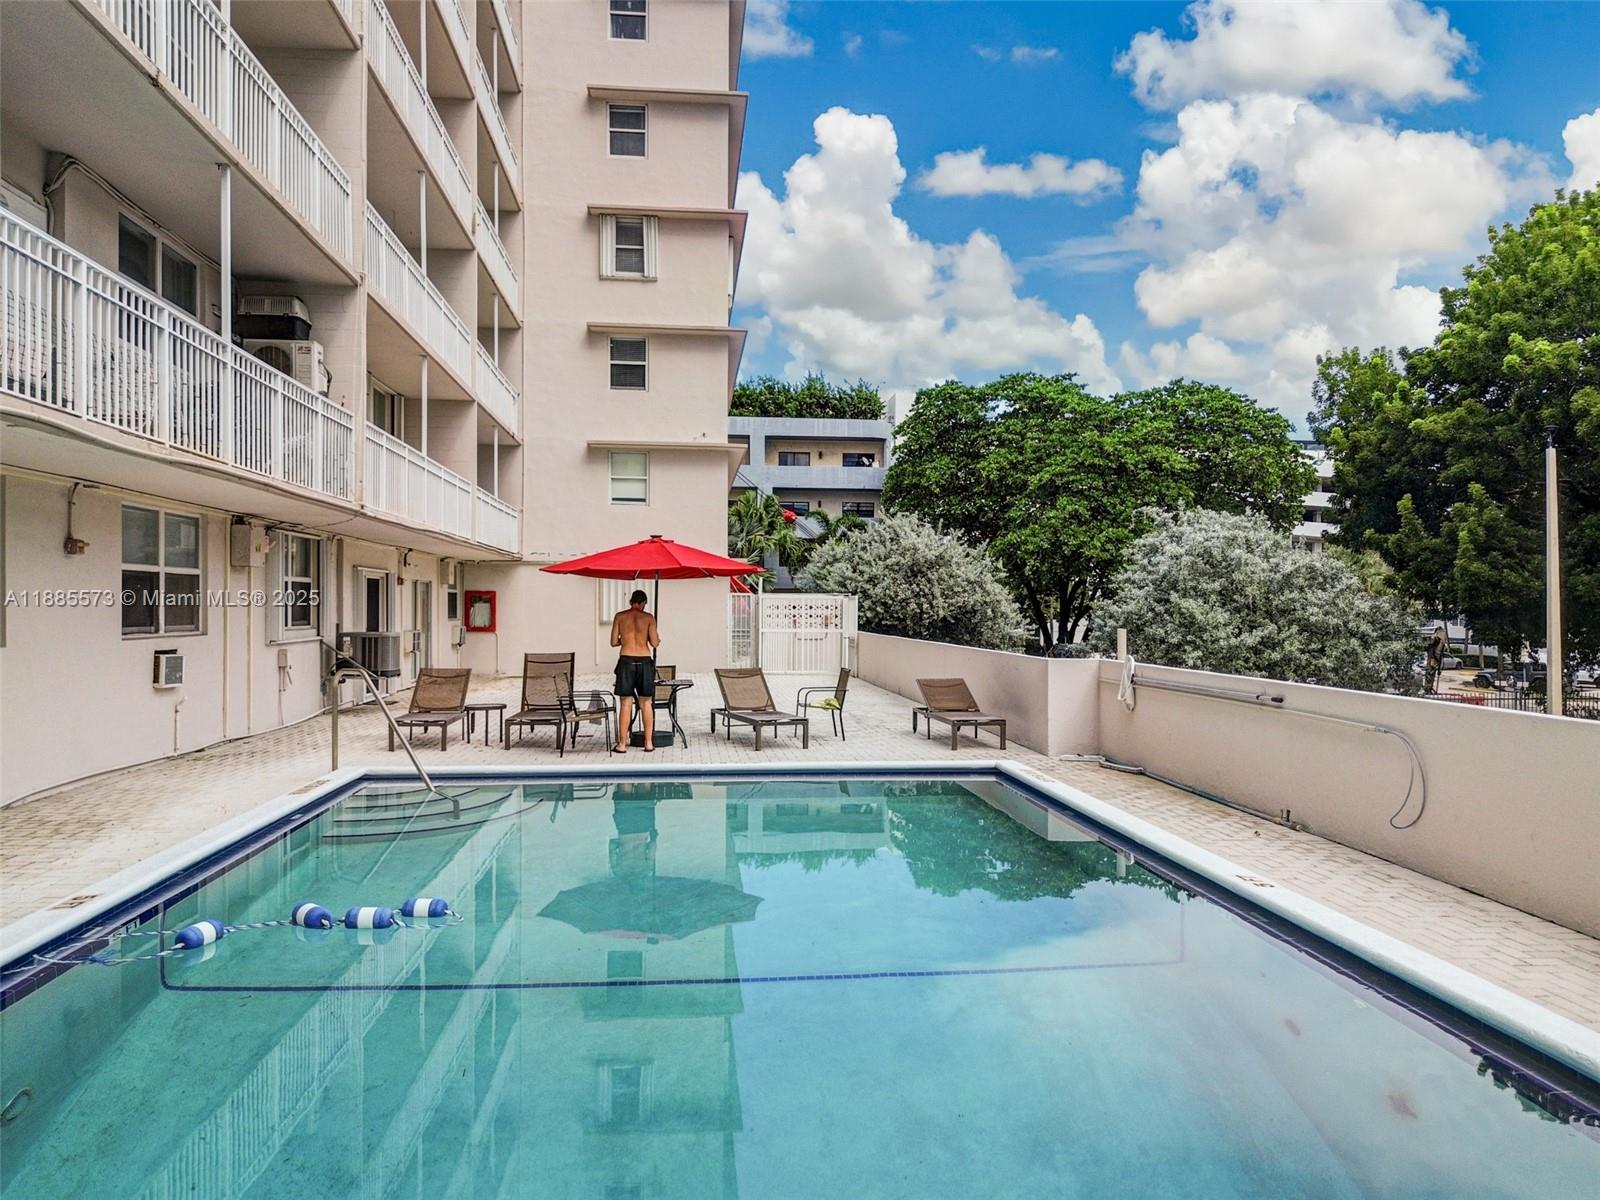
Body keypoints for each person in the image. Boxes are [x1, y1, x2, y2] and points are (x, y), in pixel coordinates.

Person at [610, 589, 660, 752]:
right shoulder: (649, 618)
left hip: (626, 660)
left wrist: (624, 640)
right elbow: (654, 643)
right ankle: (648, 743)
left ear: (631, 601)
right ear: (643, 603)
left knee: (625, 703)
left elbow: (613, 642)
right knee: (646, 703)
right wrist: (656, 638)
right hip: (644, 661)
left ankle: (622, 744)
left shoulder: (620, 616)